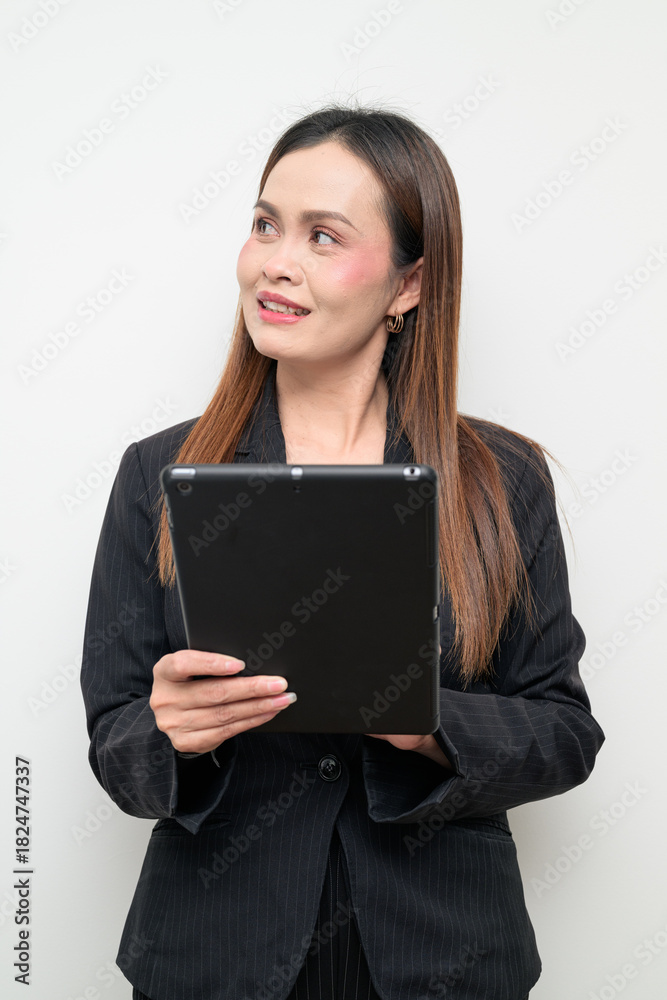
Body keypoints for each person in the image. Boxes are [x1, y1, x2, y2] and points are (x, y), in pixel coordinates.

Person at [80, 104, 605, 1000]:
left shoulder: (503, 478)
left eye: (323, 236)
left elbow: (563, 733)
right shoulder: (157, 473)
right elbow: (114, 747)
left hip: (441, 957)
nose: (275, 262)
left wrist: (424, 721)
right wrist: (166, 733)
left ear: (408, 284)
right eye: (265, 225)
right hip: (218, 952)